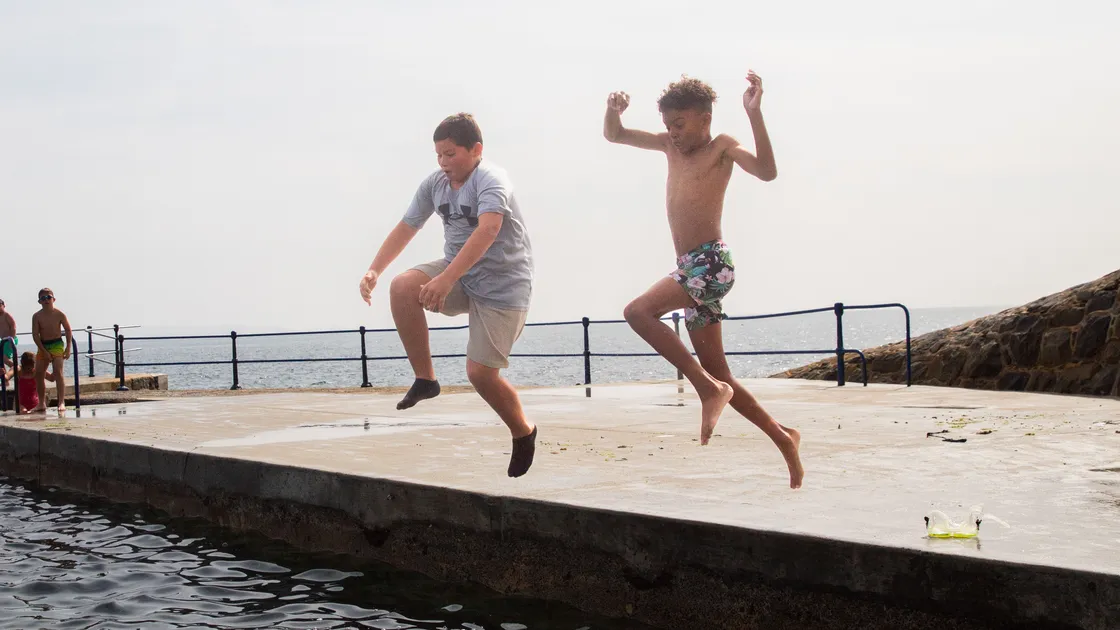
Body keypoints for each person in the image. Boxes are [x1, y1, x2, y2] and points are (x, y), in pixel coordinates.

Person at [603, 71, 804, 488]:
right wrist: (612, 111)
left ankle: (705, 390)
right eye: (668, 126)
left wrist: (754, 114)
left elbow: (767, 171)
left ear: (704, 118)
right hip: (690, 268)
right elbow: (616, 135)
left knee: (638, 311)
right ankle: (784, 438)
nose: (673, 134)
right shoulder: (666, 147)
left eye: (679, 125)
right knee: (722, 374)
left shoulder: (721, 148)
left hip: (710, 264)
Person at [358, 113, 537, 478]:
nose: (443, 163)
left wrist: (444, 280)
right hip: (459, 274)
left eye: (450, 154)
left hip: (503, 288)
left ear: (476, 150)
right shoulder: (436, 184)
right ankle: (426, 379)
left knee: (481, 375)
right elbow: (408, 226)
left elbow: (488, 230)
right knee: (403, 286)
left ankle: (523, 431)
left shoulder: (491, 180)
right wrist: (375, 268)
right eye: (438, 155)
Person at [31, 288, 72, 414]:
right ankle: (41, 402)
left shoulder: (59, 314)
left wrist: (68, 347)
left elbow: (68, 330)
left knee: (58, 372)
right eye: (43, 298)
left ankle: (61, 401)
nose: (46, 300)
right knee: (38, 373)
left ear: (54, 299)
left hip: (57, 344)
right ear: (39, 301)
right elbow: (35, 335)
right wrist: (44, 351)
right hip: (43, 345)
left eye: (48, 297)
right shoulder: (37, 316)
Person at [0, 298, 16, 371]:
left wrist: (11, 340)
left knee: (5, 359)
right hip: (3, 341)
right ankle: (5, 379)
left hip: (10, 339)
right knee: (1, 360)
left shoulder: (7, 315)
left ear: (4, 306)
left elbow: (13, 327)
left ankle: (18, 370)